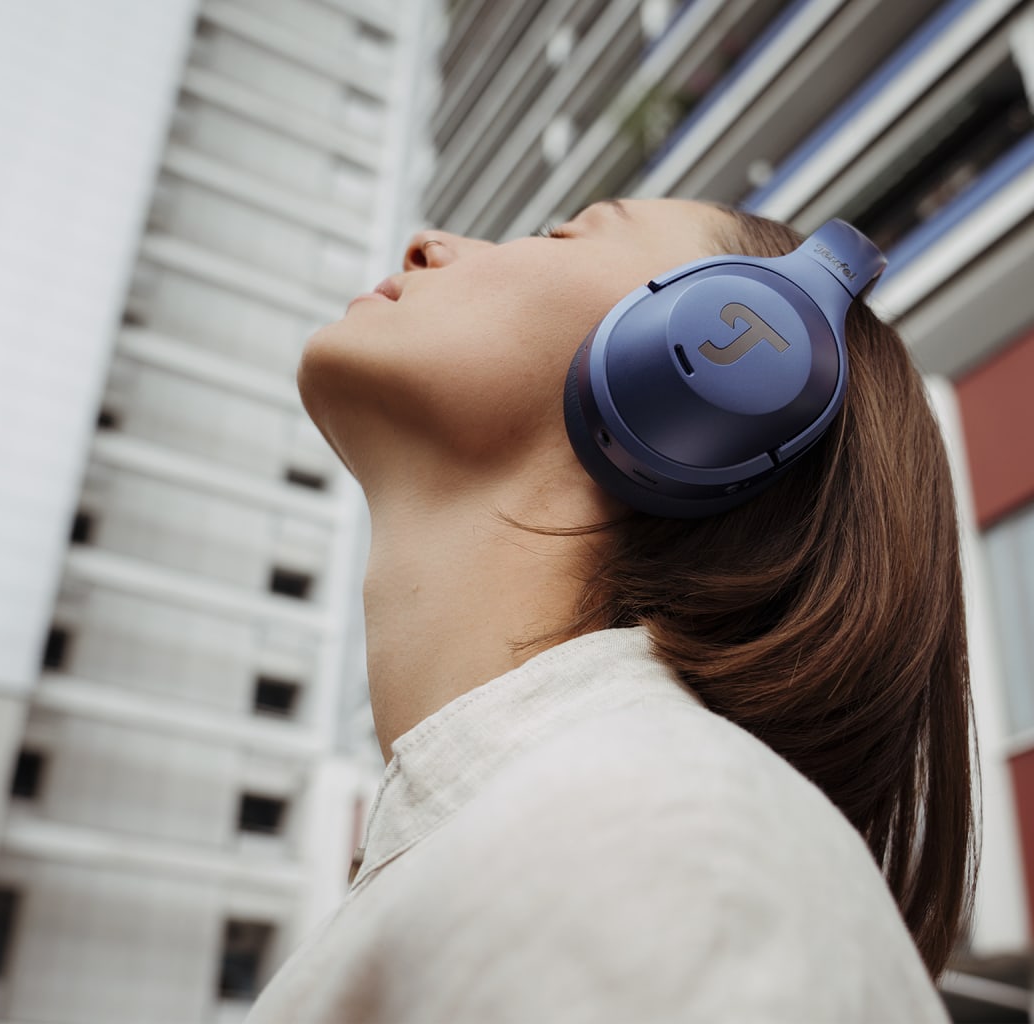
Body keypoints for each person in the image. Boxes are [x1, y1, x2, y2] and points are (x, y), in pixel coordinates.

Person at [242, 198, 974, 1022]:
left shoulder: (669, 849)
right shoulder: (594, 838)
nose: (425, 244)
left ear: (719, 360)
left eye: (560, 234)